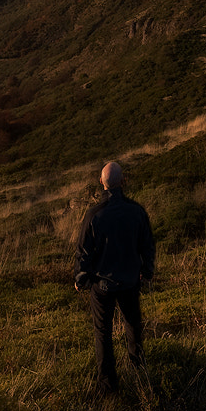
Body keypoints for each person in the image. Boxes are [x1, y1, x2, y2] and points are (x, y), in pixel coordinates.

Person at [73, 160, 155, 395]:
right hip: (131, 280)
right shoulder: (137, 211)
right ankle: (139, 371)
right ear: (123, 181)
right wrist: (147, 272)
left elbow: (83, 252)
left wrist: (81, 279)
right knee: (133, 326)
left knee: (103, 332)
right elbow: (147, 246)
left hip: (102, 285)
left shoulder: (94, 215)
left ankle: (108, 386)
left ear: (102, 182)